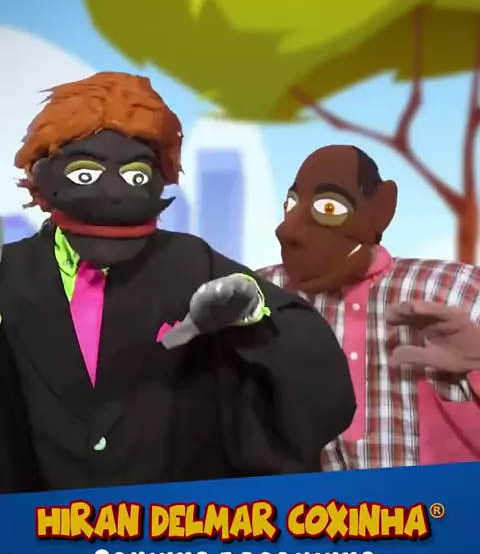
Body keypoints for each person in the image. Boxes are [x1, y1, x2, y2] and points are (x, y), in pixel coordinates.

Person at [0, 74, 355, 493]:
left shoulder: (190, 261)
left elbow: (306, 358)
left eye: (136, 175)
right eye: (85, 173)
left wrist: (251, 316)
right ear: (42, 175)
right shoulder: (12, 270)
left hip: (171, 518)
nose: (115, 193)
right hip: (37, 517)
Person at [258, 144, 480, 470]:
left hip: (439, 501)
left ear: (380, 209)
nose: (287, 229)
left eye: (329, 207)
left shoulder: (453, 289)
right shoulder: (260, 295)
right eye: (290, 205)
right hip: (308, 502)